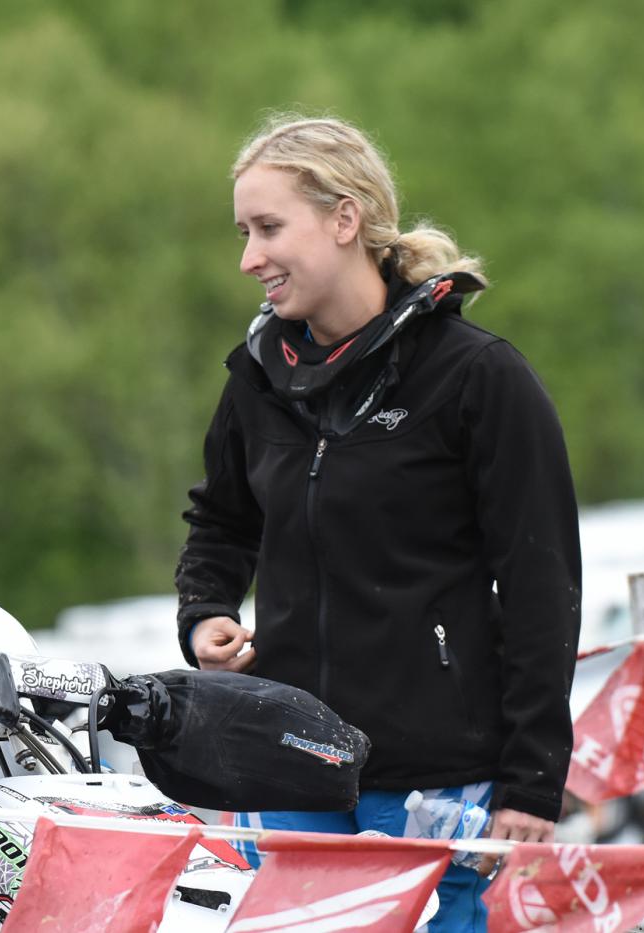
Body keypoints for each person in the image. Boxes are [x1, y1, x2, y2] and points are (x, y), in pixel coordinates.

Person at [174, 115, 581, 932]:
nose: (249, 258)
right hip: (287, 768)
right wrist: (206, 613)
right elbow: (220, 522)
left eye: (268, 229)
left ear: (345, 219)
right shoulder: (256, 377)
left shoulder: (477, 375)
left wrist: (533, 782)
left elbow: (544, 586)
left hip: (438, 780)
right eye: (243, 232)